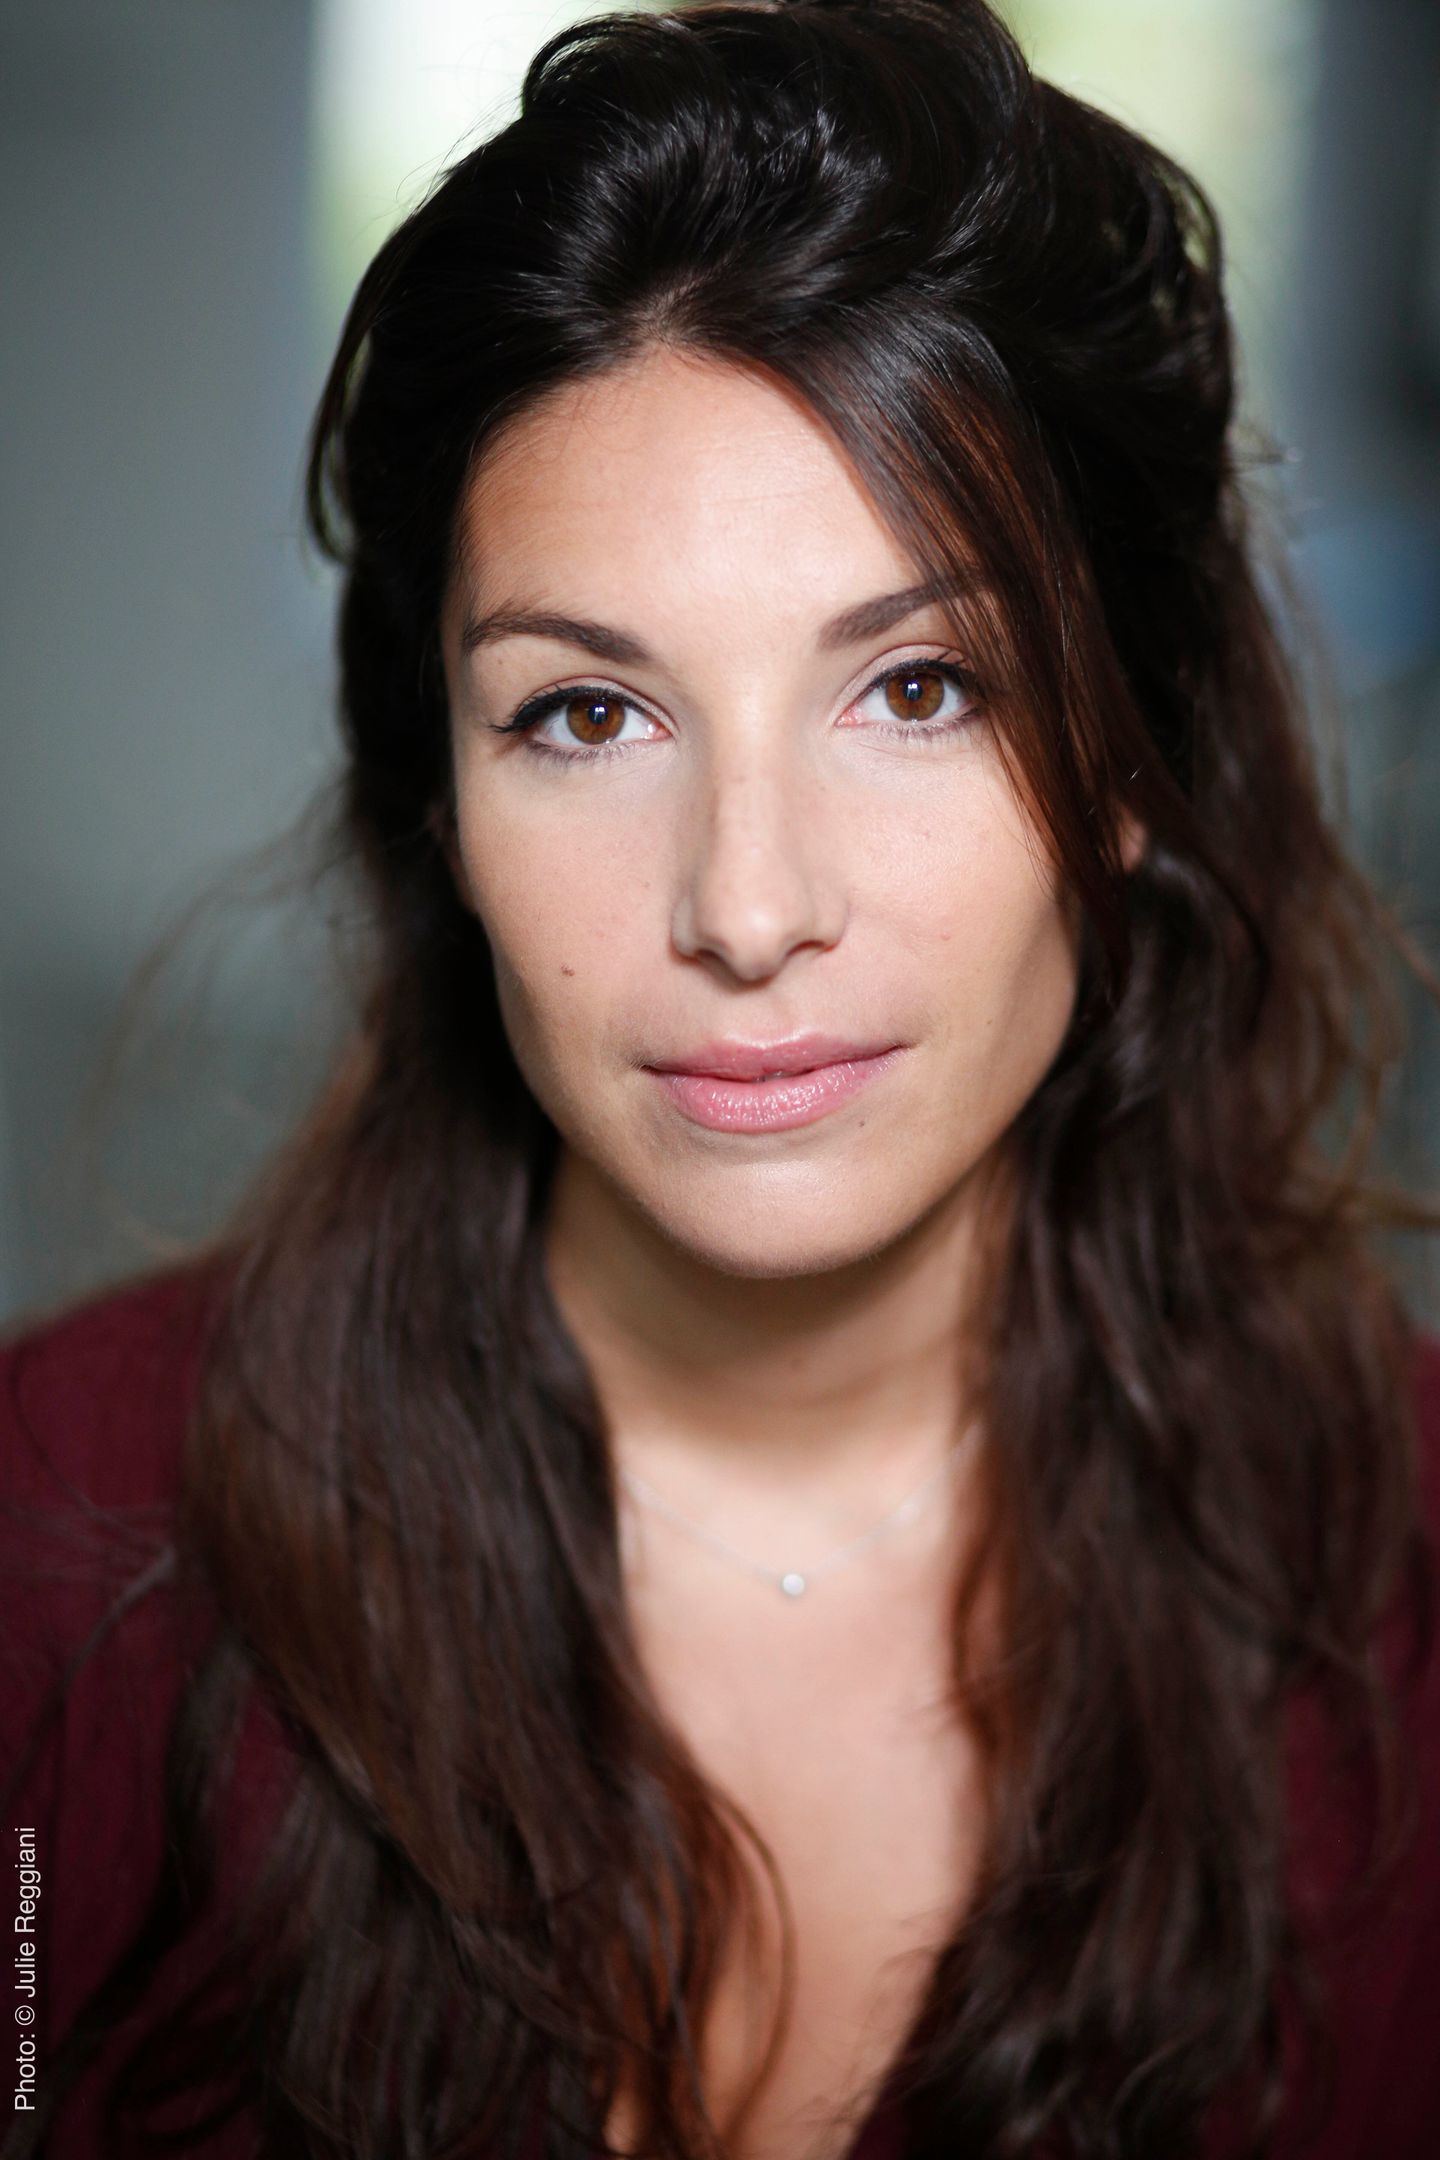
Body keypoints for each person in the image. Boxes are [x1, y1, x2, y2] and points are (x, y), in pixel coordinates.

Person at [2, 0, 1438, 2154]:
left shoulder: (1406, 1570)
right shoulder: (52, 1544)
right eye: (587, 715)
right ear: (438, 806)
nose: (749, 907)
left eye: (921, 688)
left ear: (1133, 754)